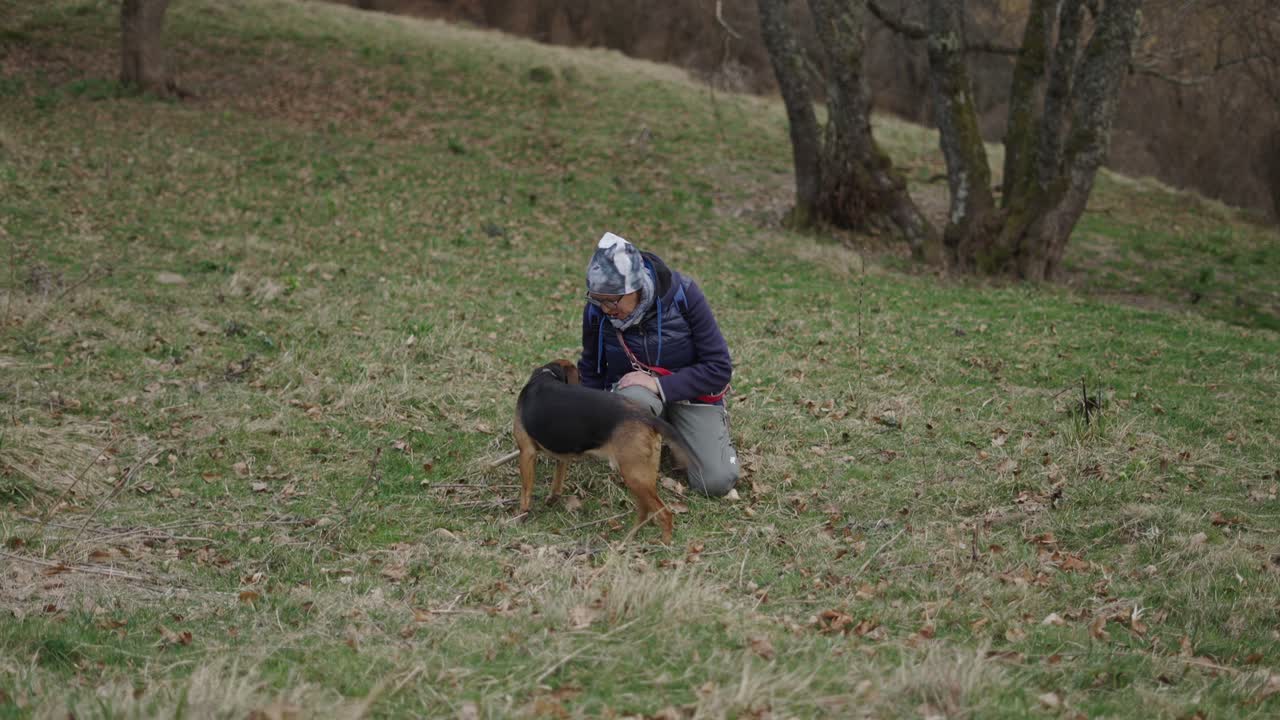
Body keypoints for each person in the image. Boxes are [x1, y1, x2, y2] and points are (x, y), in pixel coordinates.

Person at [577, 231, 738, 497]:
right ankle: (644, 440)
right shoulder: (597, 311)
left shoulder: (684, 295)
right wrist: (587, 418)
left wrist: (657, 383)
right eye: (597, 299)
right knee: (635, 397)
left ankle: (708, 439)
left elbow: (719, 368)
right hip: (636, 399)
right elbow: (591, 366)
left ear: (636, 287)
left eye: (612, 300)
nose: (605, 309)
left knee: (716, 482)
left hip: (692, 398)